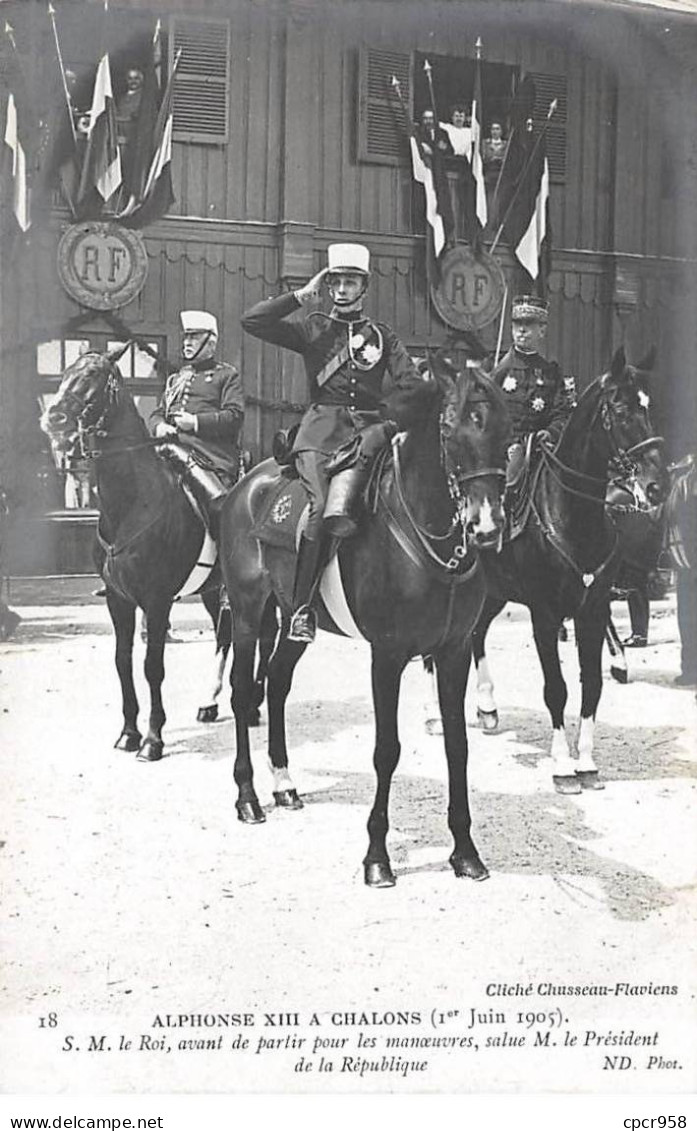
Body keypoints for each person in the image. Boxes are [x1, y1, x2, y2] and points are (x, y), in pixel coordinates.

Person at [241, 242, 432, 643]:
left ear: (364, 288)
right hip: (319, 433)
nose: (342, 290)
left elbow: (412, 386)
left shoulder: (381, 336)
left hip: (368, 431)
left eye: (350, 282)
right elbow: (252, 322)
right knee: (320, 504)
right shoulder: (313, 328)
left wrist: (389, 423)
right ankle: (303, 607)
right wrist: (298, 296)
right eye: (336, 283)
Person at [149, 310, 244, 536]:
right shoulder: (177, 378)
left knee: (220, 507)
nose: (187, 343)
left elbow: (234, 416)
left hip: (208, 457)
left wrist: (195, 423)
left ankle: (225, 559)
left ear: (210, 342)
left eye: (194, 337)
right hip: (169, 450)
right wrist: (159, 425)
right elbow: (158, 412)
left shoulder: (226, 376)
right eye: (186, 337)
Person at [489, 294, 576, 485]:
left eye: (529, 325)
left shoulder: (551, 373)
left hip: (539, 453)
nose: (521, 330)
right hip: (499, 455)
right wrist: (507, 444)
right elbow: (487, 415)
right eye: (517, 324)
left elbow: (563, 413)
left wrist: (551, 432)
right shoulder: (497, 371)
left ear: (542, 330)